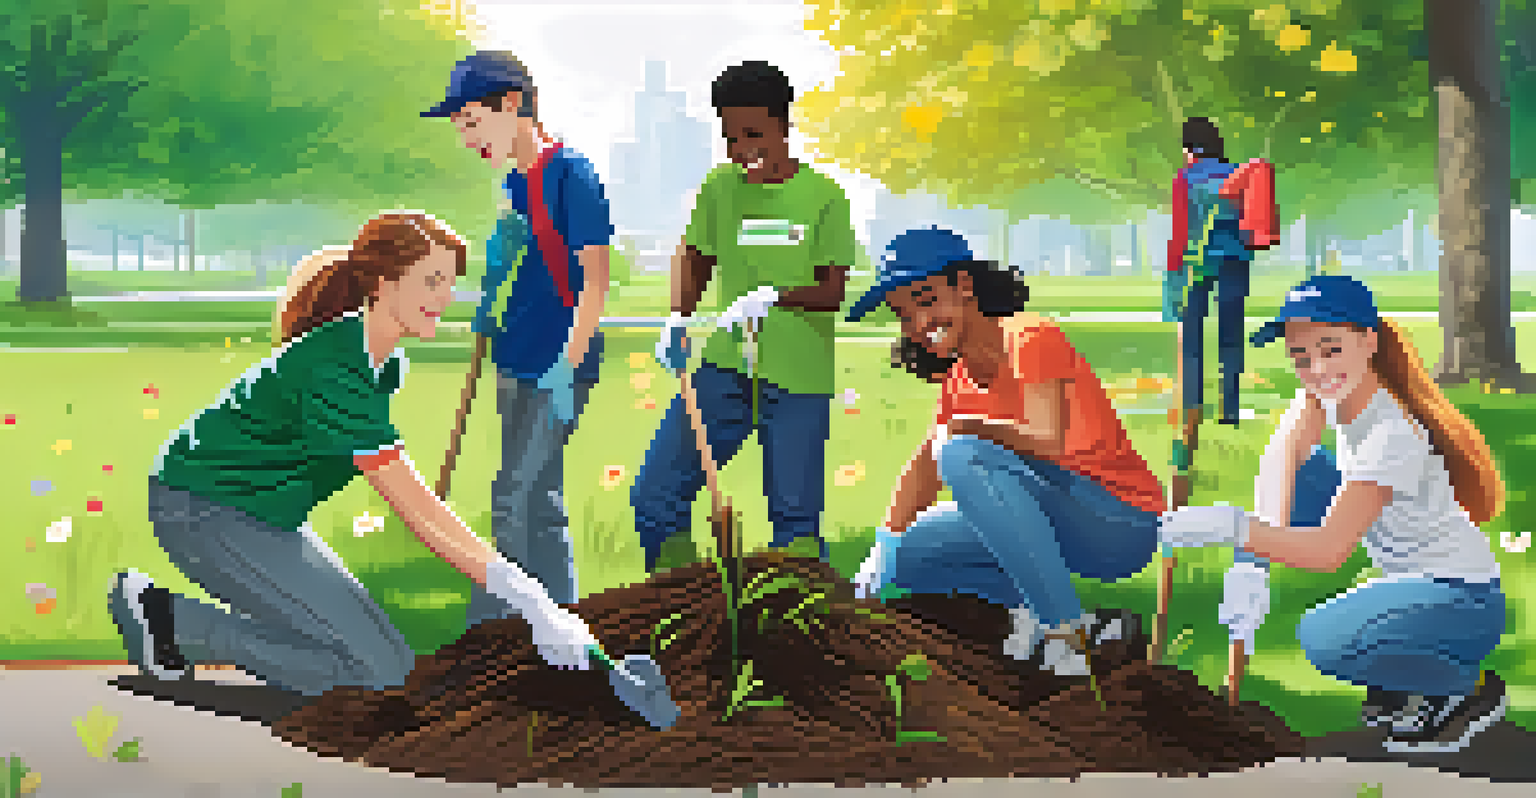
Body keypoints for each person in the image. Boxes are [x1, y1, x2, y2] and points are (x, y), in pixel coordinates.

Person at [107, 212, 602, 698]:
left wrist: (534, 604)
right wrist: (535, 603)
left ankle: (168, 620)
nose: (446, 297)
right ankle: (174, 623)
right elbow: (420, 513)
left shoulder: (380, 362)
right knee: (374, 677)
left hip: (262, 515)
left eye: (450, 283)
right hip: (203, 510)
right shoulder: (336, 371)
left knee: (389, 668)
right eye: (431, 281)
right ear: (384, 284)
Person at [1159, 275, 1509, 754]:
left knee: (1325, 639)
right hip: (1420, 586)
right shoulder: (1332, 392)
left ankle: (1465, 687)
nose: (1317, 369)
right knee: (1305, 471)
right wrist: (1251, 568)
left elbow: (1327, 554)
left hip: (1462, 603)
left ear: (1369, 341)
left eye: (1331, 349)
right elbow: (1284, 455)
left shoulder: (1390, 435)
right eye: (1301, 357)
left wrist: (1233, 528)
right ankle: (1400, 671)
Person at [845, 227, 1165, 678]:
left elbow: (1048, 440)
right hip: (1051, 518)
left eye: (926, 300)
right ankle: (1043, 618)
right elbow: (926, 462)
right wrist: (885, 545)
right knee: (911, 553)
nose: (918, 322)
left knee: (964, 456)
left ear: (965, 285)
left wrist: (968, 427)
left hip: (1117, 521)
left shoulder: (1029, 336)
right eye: (903, 314)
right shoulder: (959, 378)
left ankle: (1067, 637)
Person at [634, 61, 857, 571]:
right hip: (726, 369)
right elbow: (696, 255)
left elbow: (832, 291)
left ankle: (796, 613)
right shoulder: (721, 188)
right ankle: (686, 602)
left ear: (784, 126)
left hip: (798, 379)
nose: (742, 150)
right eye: (731, 137)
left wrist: (775, 297)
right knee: (655, 497)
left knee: (795, 527)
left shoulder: (824, 197)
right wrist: (678, 318)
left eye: (754, 135)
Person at [421, 51, 612, 622]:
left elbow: (595, 283)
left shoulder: (572, 174)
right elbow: (517, 268)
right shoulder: (513, 181)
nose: (466, 139)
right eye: (459, 128)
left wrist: (569, 366)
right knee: (539, 500)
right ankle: (564, 621)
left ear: (512, 104)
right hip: (515, 353)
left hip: (561, 360)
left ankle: (492, 627)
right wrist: (491, 294)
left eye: (471, 122)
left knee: (515, 498)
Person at [1164, 117, 1277, 507]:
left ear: (1189, 147)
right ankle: (1230, 405)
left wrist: (1172, 281)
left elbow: (1180, 231)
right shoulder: (1237, 174)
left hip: (1197, 263)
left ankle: (1192, 401)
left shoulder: (1187, 178)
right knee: (1231, 334)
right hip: (1235, 259)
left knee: (1193, 340)